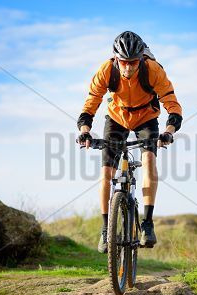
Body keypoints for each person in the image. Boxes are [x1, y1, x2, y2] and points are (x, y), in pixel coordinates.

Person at [77, 31, 183, 253]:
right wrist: (85, 131)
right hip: (116, 118)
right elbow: (91, 103)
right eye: (123, 62)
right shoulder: (107, 70)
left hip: (146, 118)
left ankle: (147, 223)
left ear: (141, 59)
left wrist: (168, 131)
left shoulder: (153, 70)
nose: (127, 68)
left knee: (149, 161)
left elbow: (172, 103)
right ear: (116, 59)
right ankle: (106, 229)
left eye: (133, 62)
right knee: (106, 172)